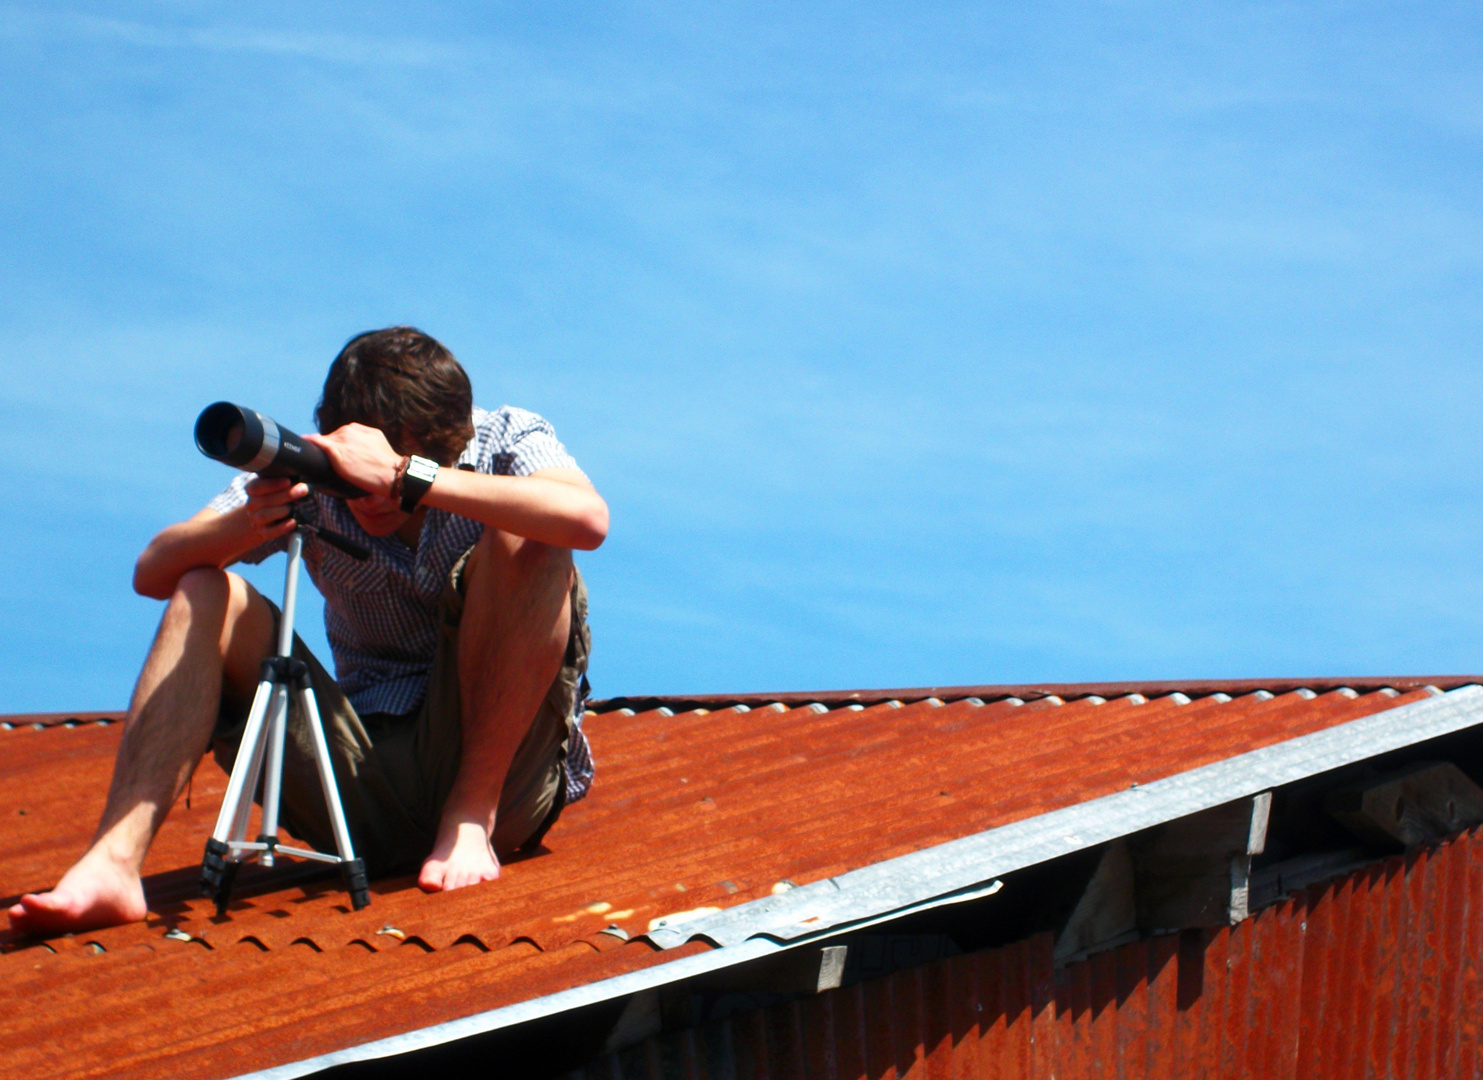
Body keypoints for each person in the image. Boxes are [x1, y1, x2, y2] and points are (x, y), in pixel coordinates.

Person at [8, 327, 608, 935]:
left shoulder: (507, 435)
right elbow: (153, 571)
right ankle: (113, 862)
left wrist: (408, 476)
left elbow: (587, 518)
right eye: (358, 480)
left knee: (533, 531)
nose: (368, 497)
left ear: (446, 443)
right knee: (204, 587)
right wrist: (246, 525)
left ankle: (468, 820)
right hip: (359, 773)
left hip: (500, 780)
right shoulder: (316, 470)